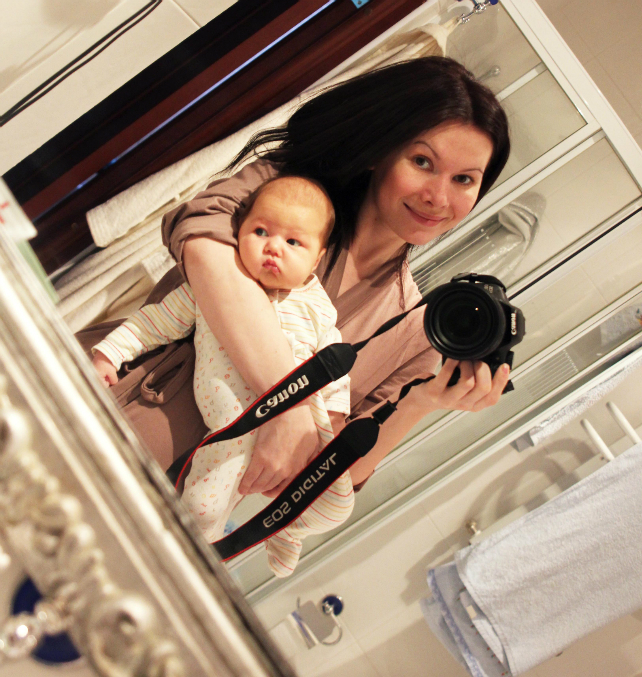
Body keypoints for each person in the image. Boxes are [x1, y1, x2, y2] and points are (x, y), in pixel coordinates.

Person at [157, 56, 512, 507]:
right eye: (422, 161)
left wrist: (421, 403)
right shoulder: (285, 195)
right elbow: (203, 246)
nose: (439, 198)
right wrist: (288, 405)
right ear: (381, 150)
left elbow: (330, 477)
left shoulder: (414, 330)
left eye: (464, 179)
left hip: (187, 508)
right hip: (123, 417)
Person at [92, 176, 353, 577]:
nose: (273, 247)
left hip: (303, 430)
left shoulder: (319, 308)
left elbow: (336, 371)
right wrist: (109, 354)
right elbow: (155, 322)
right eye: (261, 231)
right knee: (202, 509)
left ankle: (289, 531)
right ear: (239, 229)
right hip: (229, 433)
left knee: (337, 505)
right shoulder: (219, 283)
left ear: (316, 259)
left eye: (293, 242)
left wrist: (332, 424)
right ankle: (183, 565)